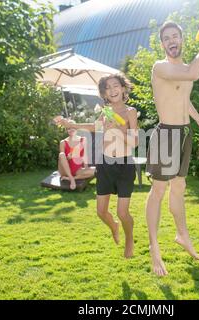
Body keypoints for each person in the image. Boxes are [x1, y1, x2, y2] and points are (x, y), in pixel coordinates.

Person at [145, 21, 199, 276]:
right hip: (166, 135)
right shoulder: (161, 67)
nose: (172, 41)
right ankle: (154, 250)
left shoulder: (184, 68)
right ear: (163, 44)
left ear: (183, 39)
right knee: (158, 192)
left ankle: (182, 235)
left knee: (179, 187)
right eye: (167, 38)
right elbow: (195, 74)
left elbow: (184, 99)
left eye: (175, 36)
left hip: (184, 134)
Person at [55, 73, 139, 258]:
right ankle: (113, 226)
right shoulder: (106, 112)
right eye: (107, 88)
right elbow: (95, 127)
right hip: (105, 164)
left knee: (123, 212)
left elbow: (135, 142)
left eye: (115, 86)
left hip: (124, 165)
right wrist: (72, 125)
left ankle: (129, 239)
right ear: (104, 93)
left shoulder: (130, 112)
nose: (112, 90)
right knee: (101, 211)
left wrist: (117, 130)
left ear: (123, 88)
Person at [58, 120, 95, 190]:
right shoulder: (63, 142)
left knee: (96, 170)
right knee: (61, 154)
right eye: (68, 128)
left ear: (76, 128)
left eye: (72, 127)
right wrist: (68, 158)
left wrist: (86, 168)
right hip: (64, 170)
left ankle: (70, 178)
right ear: (66, 130)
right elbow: (61, 159)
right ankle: (71, 179)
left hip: (77, 170)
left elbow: (85, 155)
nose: (71, 130)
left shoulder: (83, 140)